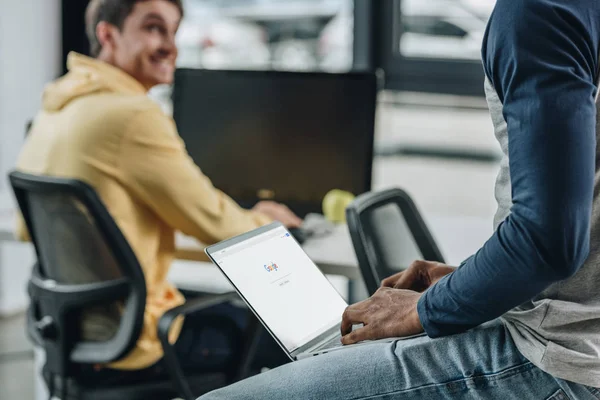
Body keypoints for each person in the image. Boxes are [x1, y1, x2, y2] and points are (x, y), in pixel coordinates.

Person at [199, 0, 600, 398]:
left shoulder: (536, 13)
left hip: (556, 361)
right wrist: (469, 282)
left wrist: (423, 309)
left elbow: (546, 244)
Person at [15, 0, 301, 383]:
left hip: (68, 328)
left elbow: (26, 229)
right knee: (287, 334)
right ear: (108, 34)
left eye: (173, 31)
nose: (170, 45)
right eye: (153, 28)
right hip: (134, 342)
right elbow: (216, 224)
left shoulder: (57, 106)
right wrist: (264, 219)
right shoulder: (132, 114)